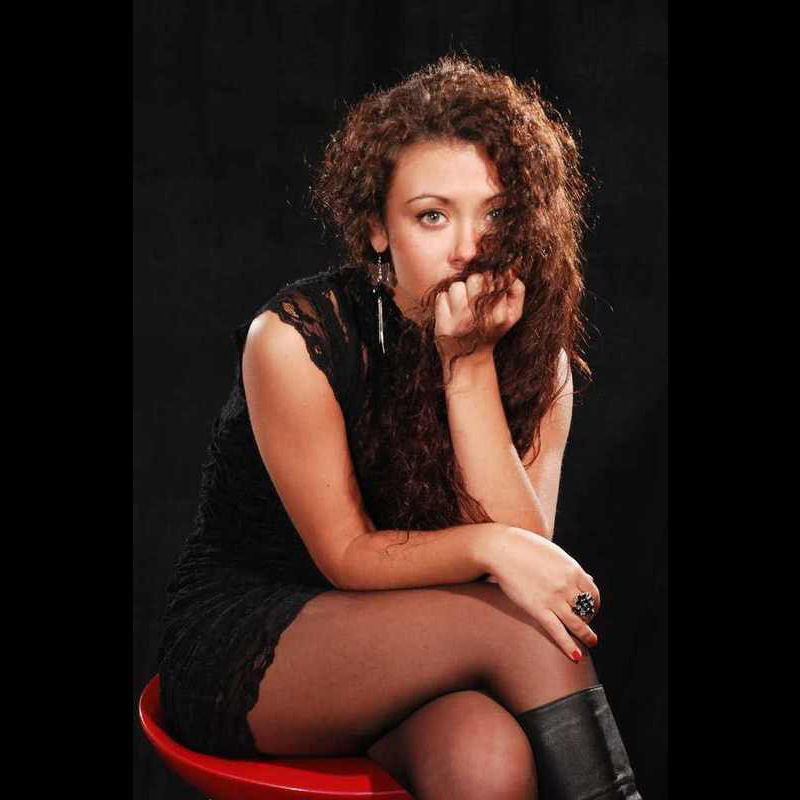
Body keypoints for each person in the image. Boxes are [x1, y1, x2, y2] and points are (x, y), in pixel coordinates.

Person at [155, 54, 643, 799]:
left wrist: (468, 364)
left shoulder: (539, 361)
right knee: (517, 629)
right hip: (259, 641)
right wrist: (485, 545)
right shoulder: (295, 340)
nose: (468, 248)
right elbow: (350, 556)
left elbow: (527, 563)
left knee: (485, 757)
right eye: (432, 215)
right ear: (379, 229)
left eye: (496, 213)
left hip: (421, 651)